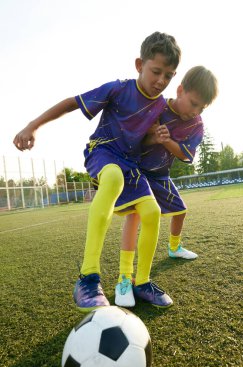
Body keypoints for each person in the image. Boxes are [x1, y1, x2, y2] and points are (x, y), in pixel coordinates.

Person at [13, 32, 181, 312]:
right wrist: (32, 125)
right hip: (102, 153)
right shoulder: (117, 89)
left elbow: (149, 139)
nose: (161, 80)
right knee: (113, 177)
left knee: (151, 212)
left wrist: (158, 137)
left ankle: (142, 281)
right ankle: (87, 278)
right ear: (139, 64)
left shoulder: (162, 106)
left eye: (169, 75)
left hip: (131, 165)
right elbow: (72, 102)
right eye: (156, 71)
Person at [114, 66, 218, 307]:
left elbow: (186, 156)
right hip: (138, 172)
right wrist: (153, 135)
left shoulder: (196, 125)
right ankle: (124, 278)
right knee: (135, 217)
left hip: (161, 175)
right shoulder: (157, 106)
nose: (195, 112)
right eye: (193, 103)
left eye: (201, 108)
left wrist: (167, 139)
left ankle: (174, 248)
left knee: (181, 211)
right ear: (180, 90)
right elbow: (136, 141)